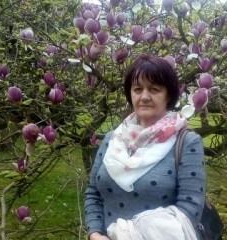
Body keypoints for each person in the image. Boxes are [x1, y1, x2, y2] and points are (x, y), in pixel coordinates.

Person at [84, 55, 206, 240]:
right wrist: (95, 234)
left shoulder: (187, 142)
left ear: (169, 95)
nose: (144, 97)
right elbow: (93, 192)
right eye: (138, 89)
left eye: (154, 89)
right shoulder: (113, 139)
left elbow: (190, 209)